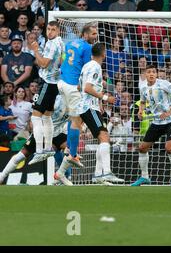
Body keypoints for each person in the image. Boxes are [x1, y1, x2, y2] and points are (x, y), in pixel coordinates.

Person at [55, 43, 123, 185]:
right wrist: (104, 98)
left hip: (85, 106)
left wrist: (97, 102)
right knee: (104, 137)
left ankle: (62, 173)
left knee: (102, 137)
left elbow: (80, 86)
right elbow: (86, 88)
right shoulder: (95, 67)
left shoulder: (86, 65)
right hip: (88, 108)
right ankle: (106, 173)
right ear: (103, 54)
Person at [132, 64, 171, 187]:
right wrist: (140, 111)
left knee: (169, 148)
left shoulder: (164, 84)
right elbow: (143, 101)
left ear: (156, 74)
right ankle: (144, 177)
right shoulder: (143, 88)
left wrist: (170, 111)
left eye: (153, 72)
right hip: (157, 122)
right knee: (142, 148)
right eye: (149, 72)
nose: (151, 74)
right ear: (145, 74)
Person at [0, 95, 71, 185]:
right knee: (22, 155)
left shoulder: (73, 98)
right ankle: (2, 176)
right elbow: (37, 114)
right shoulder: (52, 95)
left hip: (59, 132)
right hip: (43, 131)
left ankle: (62, 175)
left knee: (71, 149)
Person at [57, 24, 97, 168]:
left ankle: (68, 148)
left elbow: (63, 59)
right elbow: (86, 69)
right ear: (85, 35)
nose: (95, 36)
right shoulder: (87, 47)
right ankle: (72, 154)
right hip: (73, 86)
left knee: (71, 117)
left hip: (62, 82)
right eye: (93, 34)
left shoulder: (70, 43)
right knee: (77, 120)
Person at [29, 21, 64, 162]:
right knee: (47, 116)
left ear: (58, 31)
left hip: (47, 82)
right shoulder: (61, 42)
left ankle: (39, 150)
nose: (49, 32)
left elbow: (43, 63)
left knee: (35, 116)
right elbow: (63, 59)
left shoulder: (52, 43)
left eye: (53, 30)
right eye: (48, 29)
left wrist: (36, 50)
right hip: (55, 83)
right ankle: (49, 148)